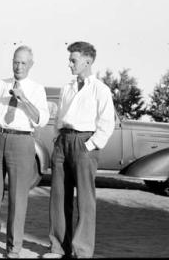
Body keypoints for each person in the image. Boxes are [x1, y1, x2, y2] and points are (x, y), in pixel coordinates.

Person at [0, 46, 50, 258]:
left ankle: (14, 247)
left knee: (18, 197)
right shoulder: (0, 84)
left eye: (24, 63)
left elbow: (41, 120)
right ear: (11, 62)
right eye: (16, 62)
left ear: (31, 65)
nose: (19, 66)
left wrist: (24, 99)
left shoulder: (36, 89)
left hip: (22, 142)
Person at [42, 41, 115, 258]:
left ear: (88, 61)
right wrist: (57, 140)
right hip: (63, 143)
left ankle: (82, 251)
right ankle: (58, 247)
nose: (70, 64)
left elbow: (106, 124)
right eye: (70, 60)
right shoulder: (67, 88)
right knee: (58, 196)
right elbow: (60, 118)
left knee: (84, 199)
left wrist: (89, 145)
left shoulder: (101, 90)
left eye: (73, 60)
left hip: (85, 144)